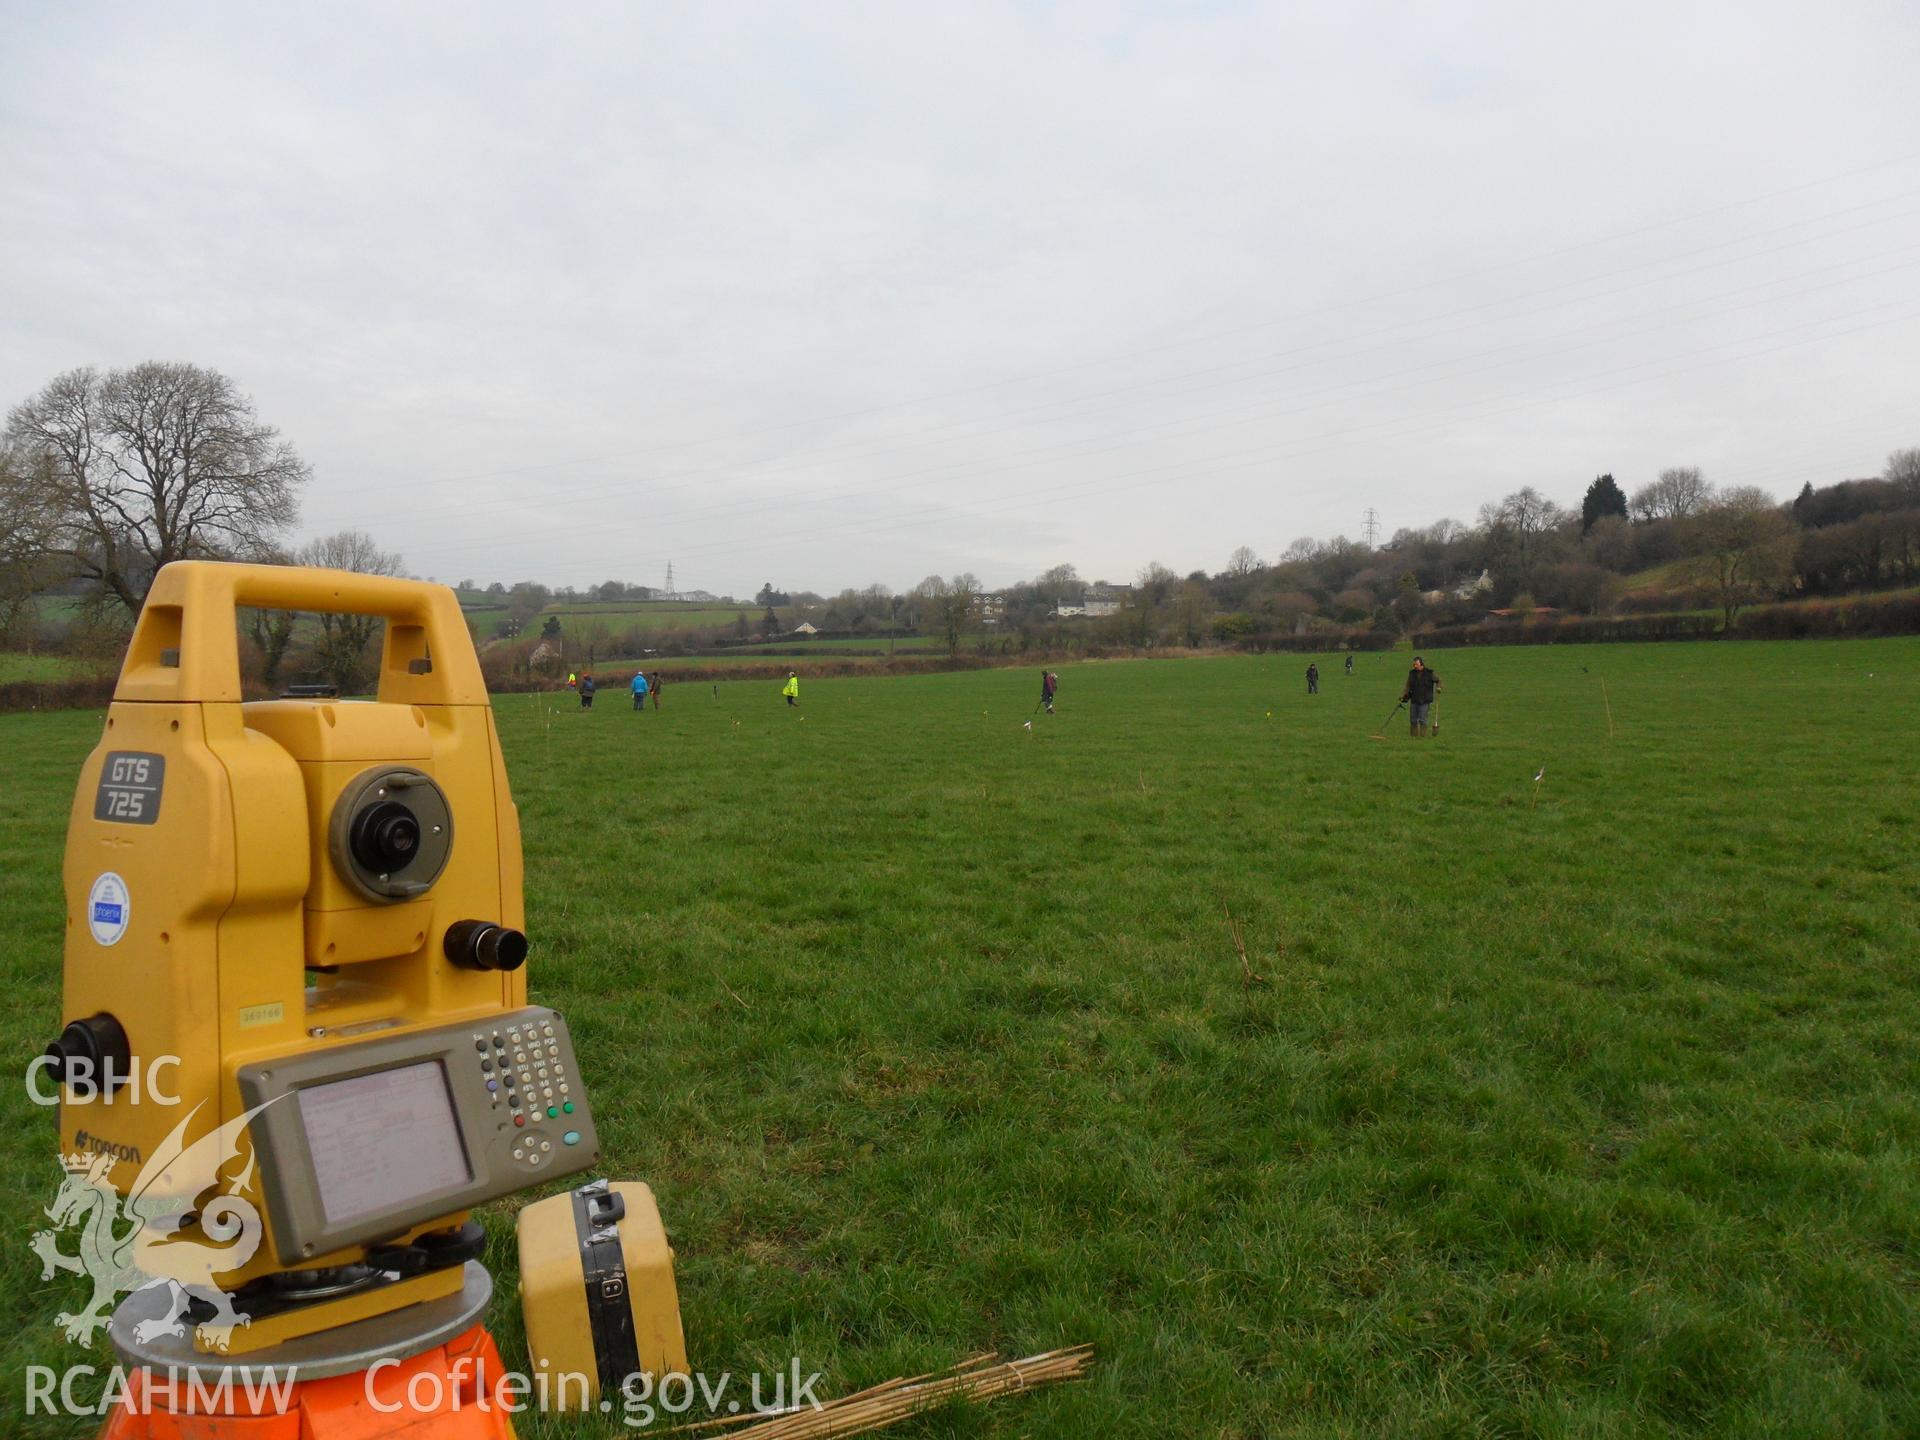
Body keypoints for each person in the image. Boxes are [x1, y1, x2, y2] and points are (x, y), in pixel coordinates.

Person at [1400, 656, 1440, 737]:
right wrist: (1403, 695)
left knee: (1422, 719)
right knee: (1413, 719)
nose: (1414, 666)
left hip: (1425, 700)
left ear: (1421, 664)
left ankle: (1422, 736)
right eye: (1414, 664)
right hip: (1414, 699)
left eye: (1416, 664)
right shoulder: (1412, 673)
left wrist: (1439, 688)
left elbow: (1438, 681)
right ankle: (1413, 736)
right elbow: (1407, 686)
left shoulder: (1429, 673)